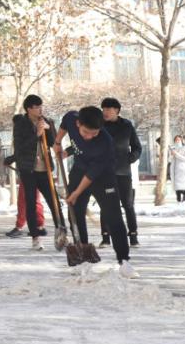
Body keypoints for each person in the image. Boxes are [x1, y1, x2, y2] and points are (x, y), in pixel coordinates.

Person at [55, 106, 137, 278]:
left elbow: (92, 175)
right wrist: (57, 142)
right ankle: (82, 255)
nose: (89, 136)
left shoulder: (105, 142)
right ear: (78, 124)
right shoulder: (72, 118)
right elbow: (65, 123)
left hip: (103, 176)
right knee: (75, 213)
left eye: (94, 133)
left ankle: (124, 261)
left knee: (113, 216)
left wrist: (76, 193)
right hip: (79, 170)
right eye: (86, 132)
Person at [12, 94, 64, 250]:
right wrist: (36, 134)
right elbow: (20, 147)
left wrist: (49, 131)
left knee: (54, 201)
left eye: (41, 106)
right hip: (28, 169)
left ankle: (62, 233)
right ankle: (35, 237)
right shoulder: (21, 124)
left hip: (45, 169)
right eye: (37, 107)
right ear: (29, 109)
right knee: (31, 203)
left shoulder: (47, 121)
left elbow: (55, 142)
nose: (40, 110)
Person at [99, 98, 142, 247]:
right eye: (103, 109)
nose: (105, 112)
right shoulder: (99, 125)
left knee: (128, 205)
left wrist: (130, 159)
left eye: (108, 109)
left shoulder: (127, 125)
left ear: (117, 110)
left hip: (123, 172)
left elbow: (137, 147)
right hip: (105, 172)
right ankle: (105, 237)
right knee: (106, 205)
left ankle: (133, 236)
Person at [2, 154, 45, 238]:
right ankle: (39, 226)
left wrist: (10, 159)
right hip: (31, 169)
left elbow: (22, 151)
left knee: (25, 200)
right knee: (33, 199)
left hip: (30, 171)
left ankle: (21, 227)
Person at [170, 135, 185, 203]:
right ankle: (178, 200)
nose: (177, 141)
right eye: (176, 140)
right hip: (175, 170)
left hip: (183, 170)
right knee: (177, 187)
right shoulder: (173, 149)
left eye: (178, 140)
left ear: (181, 141)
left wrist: (176, 154)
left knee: (184, 186)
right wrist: (171, 155)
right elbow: (171, 160)